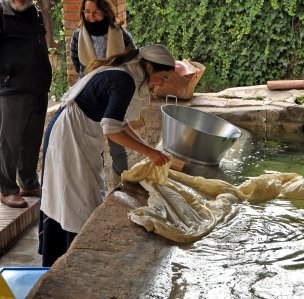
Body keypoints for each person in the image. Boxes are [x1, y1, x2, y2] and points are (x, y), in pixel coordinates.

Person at [38, 44, 175, 267]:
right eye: (164, 77)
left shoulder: (125, 73)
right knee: (76, 200)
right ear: (149, 67)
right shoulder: (124, 80)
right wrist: (149, 151)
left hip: (74, 132)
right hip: (71, 136)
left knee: (71, 196)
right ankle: (73, 262)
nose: (163, 83)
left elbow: (118, 122)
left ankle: (64, 257)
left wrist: (149, 152)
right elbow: (111, 130)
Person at [71, 0, 137, 175]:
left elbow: (133, 60)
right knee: (93, 144)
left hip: (113, 96)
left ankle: (123, 182)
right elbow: (78, 64)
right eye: (87, 12)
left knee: (117, 142)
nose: (91, 17)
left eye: (96, 12)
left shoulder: (121, 34)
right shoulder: (78, 35)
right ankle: (96, 186)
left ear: (106, 12)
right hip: (90, 97)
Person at [0, 0, 52, 208]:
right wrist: (6, 74)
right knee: (9, 143)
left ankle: (28, 184)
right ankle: (7, 190)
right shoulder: (1, 14)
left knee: (32, 140)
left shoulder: (35, 12)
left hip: (38, 88)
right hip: (12, 90)